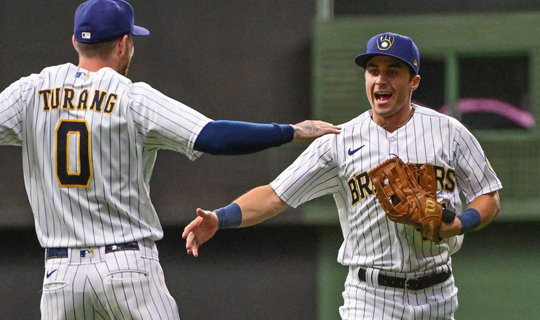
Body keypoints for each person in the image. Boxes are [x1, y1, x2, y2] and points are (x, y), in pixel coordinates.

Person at [0, 0, 341, 319]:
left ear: (76, 40)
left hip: (61, 277)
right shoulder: (130, 97)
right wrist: (290, 131)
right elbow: (214, 137)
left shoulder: (31, 91)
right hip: (127, 269)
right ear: (122, 44)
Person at [183, 32, 502, 319]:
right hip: (371, 297)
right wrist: (219, 218)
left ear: (414, 81)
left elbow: (488, 195)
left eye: (392, 71)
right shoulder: (338, 142)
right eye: (373, 70)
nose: (380, 80)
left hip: (438, 294)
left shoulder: (449, 132)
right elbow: (274, 196)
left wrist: (462, 223)